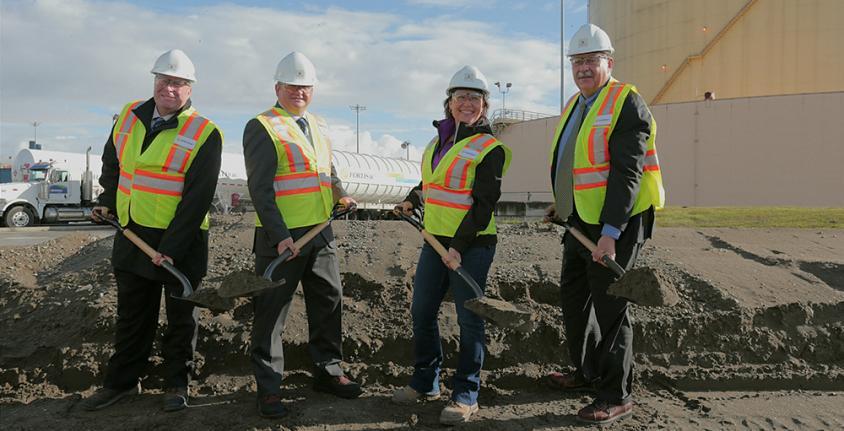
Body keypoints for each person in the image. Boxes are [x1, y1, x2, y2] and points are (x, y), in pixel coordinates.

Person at [82, 49, 223, 412]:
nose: (170, 88)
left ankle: (178, 383)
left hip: (183, 242)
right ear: (154, 81)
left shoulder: (205, 132)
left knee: (181, 319)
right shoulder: (129, 115)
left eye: (178, 83)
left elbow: (197, 199)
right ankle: (122, 383)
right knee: (132, 317)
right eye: (164, 80)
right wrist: (107, 200)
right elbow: (113, 163)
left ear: (190, 89)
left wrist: (171, 248)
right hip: (132, 235)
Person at [544, 24, 665, 425]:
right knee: (575, 299)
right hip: (580, 220)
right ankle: (586, 372)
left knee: (611, 308)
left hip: (619, 223)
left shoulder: (626, 103)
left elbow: (626, 174)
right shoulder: (576, 105)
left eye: (590, 61)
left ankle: (616, 394)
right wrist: (560, 204)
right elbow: (575, 163)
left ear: (608, 63)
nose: (582, 68)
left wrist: (611, 234)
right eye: (576, 61)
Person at [242, 51, 362, 419]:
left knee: (329, 300)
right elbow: (260, 188)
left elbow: (326, 169)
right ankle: (269, 388)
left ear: (313, 90)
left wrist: (340, 192)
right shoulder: (262, 126)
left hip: (320, 231)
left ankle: (328, 371)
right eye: (292, 86)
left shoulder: (320, 125)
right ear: (277, 87)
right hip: (284, 238)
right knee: (272, 312)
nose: (299, 92)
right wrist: (280, 235)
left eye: (305, 87)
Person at [392, 65, 511, 426]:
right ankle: (426, 382)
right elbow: (433, 182)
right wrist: (413, 198)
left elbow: (483, 204)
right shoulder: (438, 140)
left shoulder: (490, 148)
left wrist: (458, 247)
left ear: (484, 105)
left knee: (470, 320)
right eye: (461, 97)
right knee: (422, 312)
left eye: (474, 98)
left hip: (472, 245)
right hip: (435, 240)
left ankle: (465, 394)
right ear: (449, 102)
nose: (467, 103)